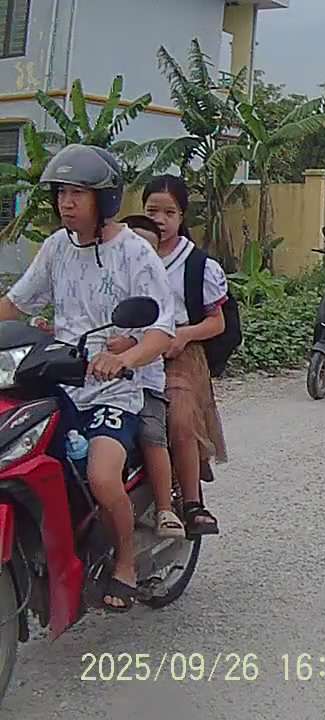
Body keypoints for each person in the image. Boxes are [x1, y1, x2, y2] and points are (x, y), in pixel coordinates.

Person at [0, 144, 176, 612]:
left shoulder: (134, 252)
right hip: (58, 381)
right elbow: (16, 304)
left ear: (105, 199)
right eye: (61, 193)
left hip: (114, 390)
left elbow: (161, 331)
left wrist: (126, 358)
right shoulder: (57, 247)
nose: (66, 203)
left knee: (100, 475)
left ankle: (125, 563)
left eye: (78, 193)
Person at [142, 175, 230, 537]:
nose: (160, 220)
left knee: (179, 417)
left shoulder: (197, 265)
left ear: (182, 216)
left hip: (181, 352)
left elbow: (217, 321)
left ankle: (192, 503)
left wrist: (184, 335)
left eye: (169, 213)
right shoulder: (128, 254)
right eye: (152, 211)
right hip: (134, 347)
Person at [117, 214, 185, 540]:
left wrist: (131, 345)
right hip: (95, 383)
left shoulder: (158, 288)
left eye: (147, 248)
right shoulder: (104, 278)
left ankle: (164, 508)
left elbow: (161, 334)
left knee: (150, 434)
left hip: (143, 382)